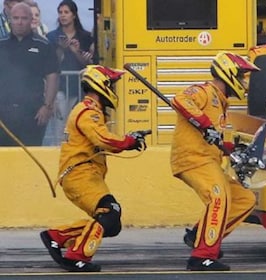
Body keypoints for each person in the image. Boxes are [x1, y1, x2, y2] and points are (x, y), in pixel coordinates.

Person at [38, 66, 147, 273]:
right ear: (101, 85)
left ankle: (57, 236)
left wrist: (130, 139)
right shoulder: (88, 112)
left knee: (112, 224)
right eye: (111, 85)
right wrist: (129, 141)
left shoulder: (91, 111)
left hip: (86, 175)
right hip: (80, 174)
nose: (113, 90)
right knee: (110, 212)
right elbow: (103, 139)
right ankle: (77, 256)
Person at [172, 52, 260, 271]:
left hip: (209, 160)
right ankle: (202, 257)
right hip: (193, 159)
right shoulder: (204, 91)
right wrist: (204, 124)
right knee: (218, 198)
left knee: (245, 199)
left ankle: (198, 236)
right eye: (240, 75)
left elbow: (213, 138)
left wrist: (231, 148)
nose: (243, 81)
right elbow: (180, 99)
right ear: (228, 73)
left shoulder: (221, 102)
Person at [0, 2, 57, 147]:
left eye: (24, 18)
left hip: (33, 114)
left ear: (31, 20)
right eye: (16, 18)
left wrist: (47, 106)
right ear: (10, 19)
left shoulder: (44, 45)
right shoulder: (1, 44)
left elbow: (52, 76)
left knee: (30, 155)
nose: (19, 22)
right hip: (3, 114)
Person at [42, 0, 94, 146]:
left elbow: (88, 64)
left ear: (74, 15)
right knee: (60, 127)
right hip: (60, 87)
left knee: (80, 124)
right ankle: (60, 150)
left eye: (66, 12)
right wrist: (61, 49)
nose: (63, 15)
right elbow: (51, 64)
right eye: (60, 12)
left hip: (81, 88)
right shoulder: (51, 37)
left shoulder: (85, 36)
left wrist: (76, 51)